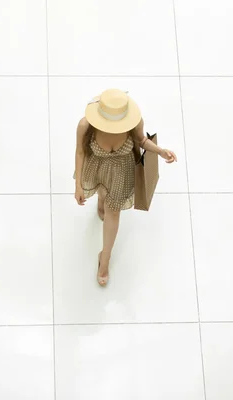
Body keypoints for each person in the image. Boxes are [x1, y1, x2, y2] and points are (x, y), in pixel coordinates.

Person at [74, 89, 177, 286]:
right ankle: (101, 201)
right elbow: (79, 152)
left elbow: (142, 140)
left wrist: (161, 151)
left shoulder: (134, 121)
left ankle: (105, 258)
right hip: (96, 167)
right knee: (101, 192)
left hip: (122, 172)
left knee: (113, 214)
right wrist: (77, 184)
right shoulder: (85, 125)